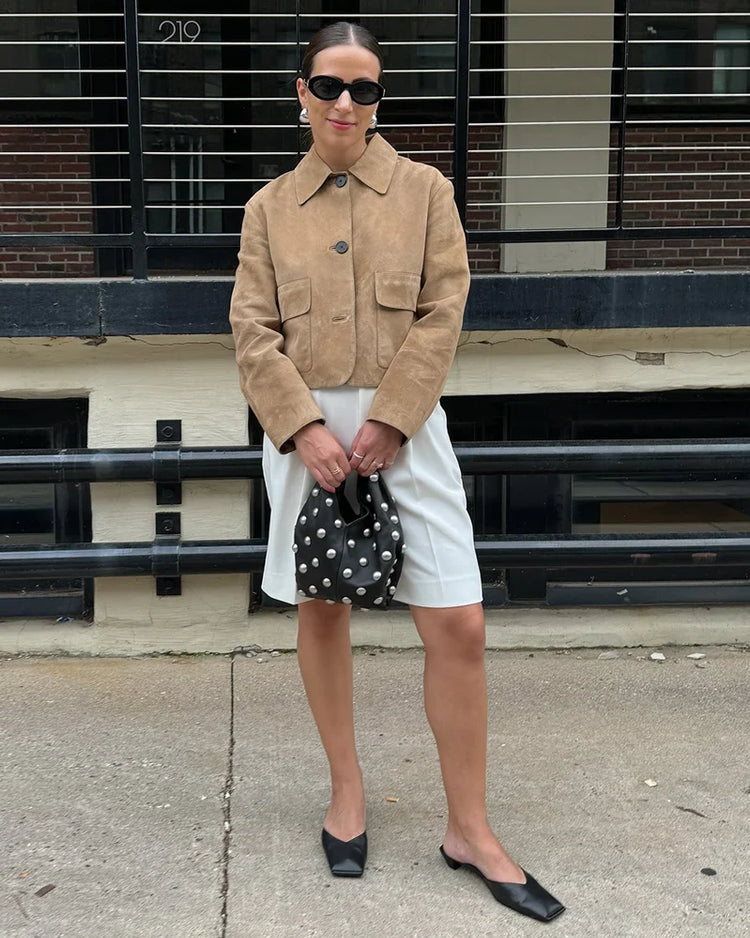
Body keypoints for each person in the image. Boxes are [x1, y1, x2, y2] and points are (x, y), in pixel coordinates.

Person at [229, 21, 564, 924]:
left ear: (379, 99)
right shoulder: (268, 209)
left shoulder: (425, 192)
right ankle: (347, 792)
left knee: (458, 621)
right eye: (329, 85)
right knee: (322, 609)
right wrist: (302, 429)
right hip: (305, 436)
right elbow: (252, 330)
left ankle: (470, 830)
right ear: (301, 93)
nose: (346, 103)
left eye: (364, 88)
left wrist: (390, 419)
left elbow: (444, 308)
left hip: (405, 427)